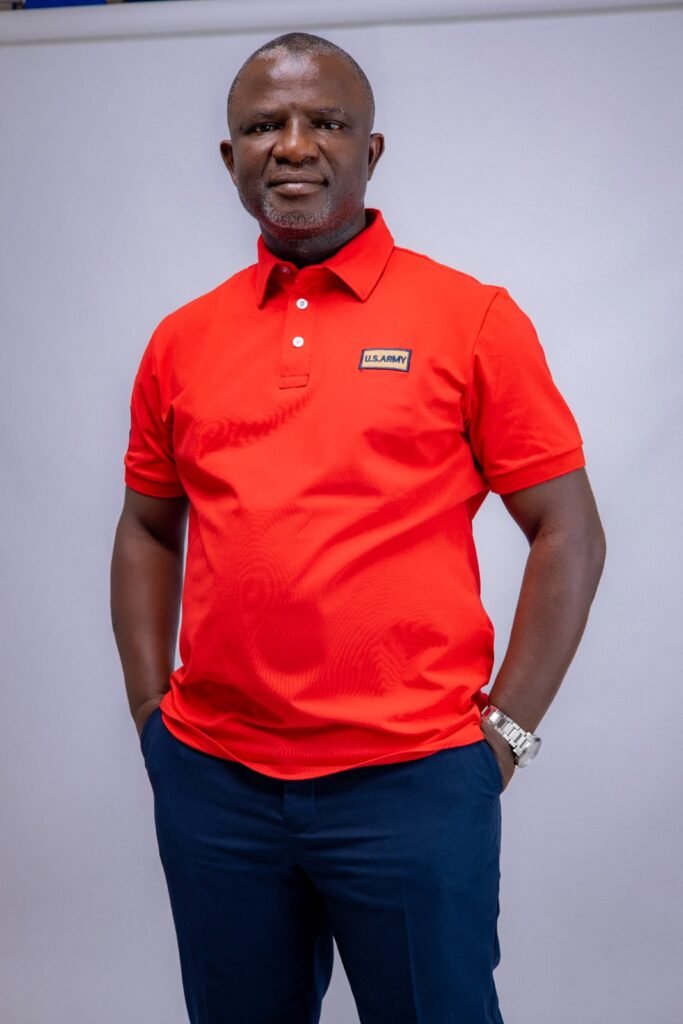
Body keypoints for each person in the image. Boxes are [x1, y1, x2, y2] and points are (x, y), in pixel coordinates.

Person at [110, 31, 606, 1024]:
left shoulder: (469, 318)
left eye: (326, 122)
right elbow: (146, 530)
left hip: (413, 783)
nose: (293, 146)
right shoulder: (182, 340)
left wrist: (501, 739)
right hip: (217, 786)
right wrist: (152, 717)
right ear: (230, 157)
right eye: (264, 126)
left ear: (370, 150)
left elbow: (568, 530)